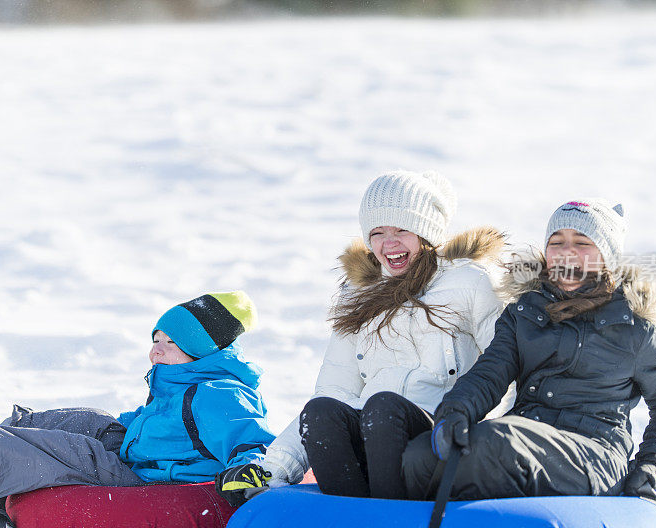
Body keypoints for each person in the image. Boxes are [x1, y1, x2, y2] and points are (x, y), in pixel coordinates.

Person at [215, 170, 506, 506]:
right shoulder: (359, 296)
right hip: (374, 437)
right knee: (321, 412)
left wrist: (497, 448)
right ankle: (350, 518)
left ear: (427, 234)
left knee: (383, 408)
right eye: (377, 232)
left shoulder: (470, 283)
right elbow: (334, 389)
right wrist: (273, 467)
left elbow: (502, 369)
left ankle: (393, 520)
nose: (389, 243)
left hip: (440, 436)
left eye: (402, 230)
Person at [402, 199, 656, 502]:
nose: (567, 252)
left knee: (498, 444)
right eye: (556, 242)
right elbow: (489, 373)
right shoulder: (524, 313)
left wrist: (652, 465)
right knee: (420, 455)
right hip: (526, 433)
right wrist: (456, 410)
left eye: (582, 242)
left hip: (595, 452)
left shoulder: (633, 329)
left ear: (606, 257)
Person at [0, 291, 275, 519]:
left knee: (77, 451)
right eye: (155, 340)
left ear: (202, 351)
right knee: (91, 421)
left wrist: (248, 469)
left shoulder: (219, 393)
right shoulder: (179, 381)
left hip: (160, 483)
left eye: (170, 343)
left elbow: (251, 440)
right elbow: (156, 424)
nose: (156, 350)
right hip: (143, 459)